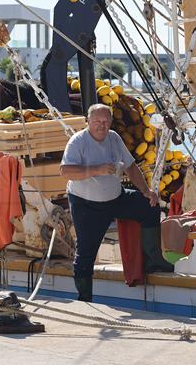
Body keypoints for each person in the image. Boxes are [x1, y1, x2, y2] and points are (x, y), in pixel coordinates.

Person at [60, 103, 174, 301]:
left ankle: (153, 260)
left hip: (115, 198)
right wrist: (97, 169)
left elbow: (130, 167)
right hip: (87, 204)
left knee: (149, 207)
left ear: (111, 122)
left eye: (105, 121)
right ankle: (84, 298)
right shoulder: (77, 142)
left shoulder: (113, 137)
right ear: (88, 122)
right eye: (97, 122)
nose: (101, 126)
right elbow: (65, 171)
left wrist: (146, 191)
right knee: (86, 251)